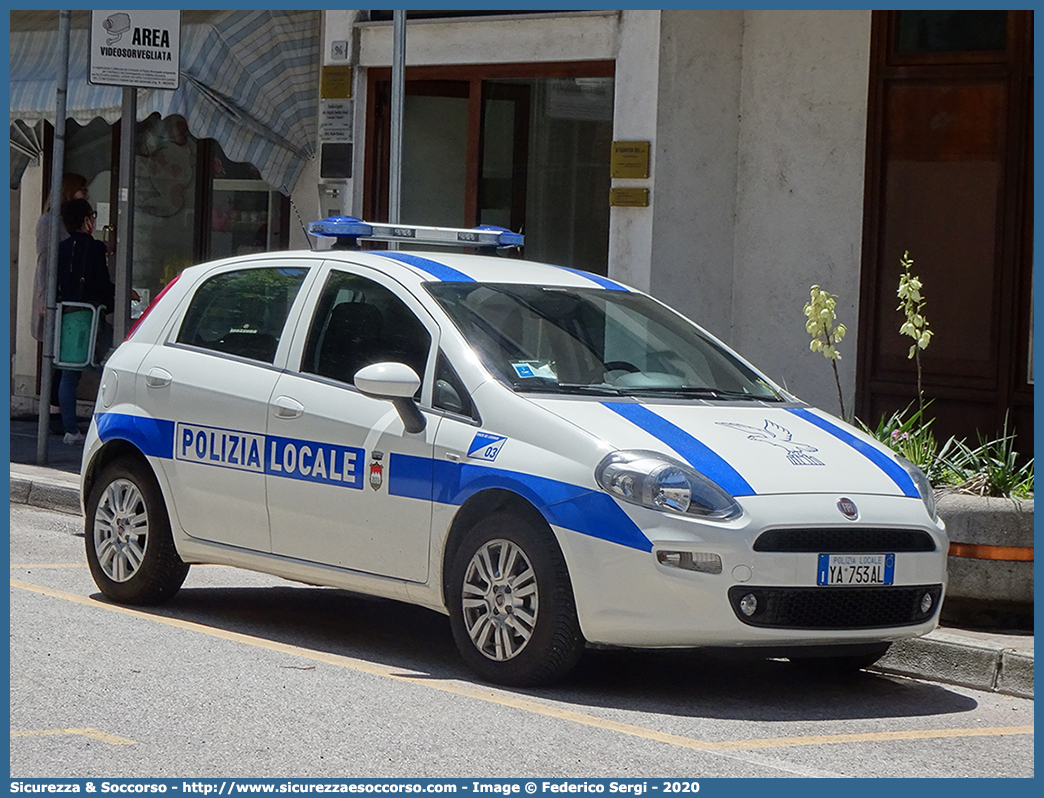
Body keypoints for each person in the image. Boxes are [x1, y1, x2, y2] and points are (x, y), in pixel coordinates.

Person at [55, 198, 115, 445]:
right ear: (85, 221)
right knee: (109, 364)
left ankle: (70, 429)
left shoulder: (62, 247)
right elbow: (101, 282)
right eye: (92, 216)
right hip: (90, 313)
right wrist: (118, 295)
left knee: (69, 372)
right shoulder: (95, 248)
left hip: (67, 314)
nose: (94, 220)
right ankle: (102, 424)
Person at [32, 173, 88, 432]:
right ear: (69, 191)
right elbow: (45, 260)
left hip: (66, 294)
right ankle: (52, 411)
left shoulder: (67, 220)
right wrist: (45, 298)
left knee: (61, 351)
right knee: (55, 352)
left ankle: (56, 410)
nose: (85, 193)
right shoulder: (49, 221)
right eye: (81, 189)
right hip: (53, 293)